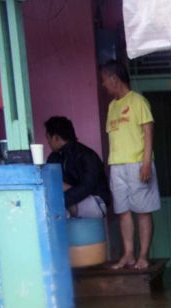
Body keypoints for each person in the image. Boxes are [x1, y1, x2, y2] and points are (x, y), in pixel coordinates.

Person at [100, 60, 159, 270]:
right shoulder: (112, 106)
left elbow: (148, 133)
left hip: (137, 163)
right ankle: (128, 255)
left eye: (105, 80)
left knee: (143, 211)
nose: (103, 85)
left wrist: (146, 163)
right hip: (117, 166)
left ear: (114, 78)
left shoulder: (138, 101)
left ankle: (143, 256)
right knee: (123, 211)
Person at [44, 116, 110, 218]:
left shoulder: (86, 155)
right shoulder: (54, 157)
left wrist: (62, 200)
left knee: (57, 190)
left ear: (56, 137)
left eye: (48, 138)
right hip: (71, 202)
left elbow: (87, 186)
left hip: (95, 202)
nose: (48, 142)